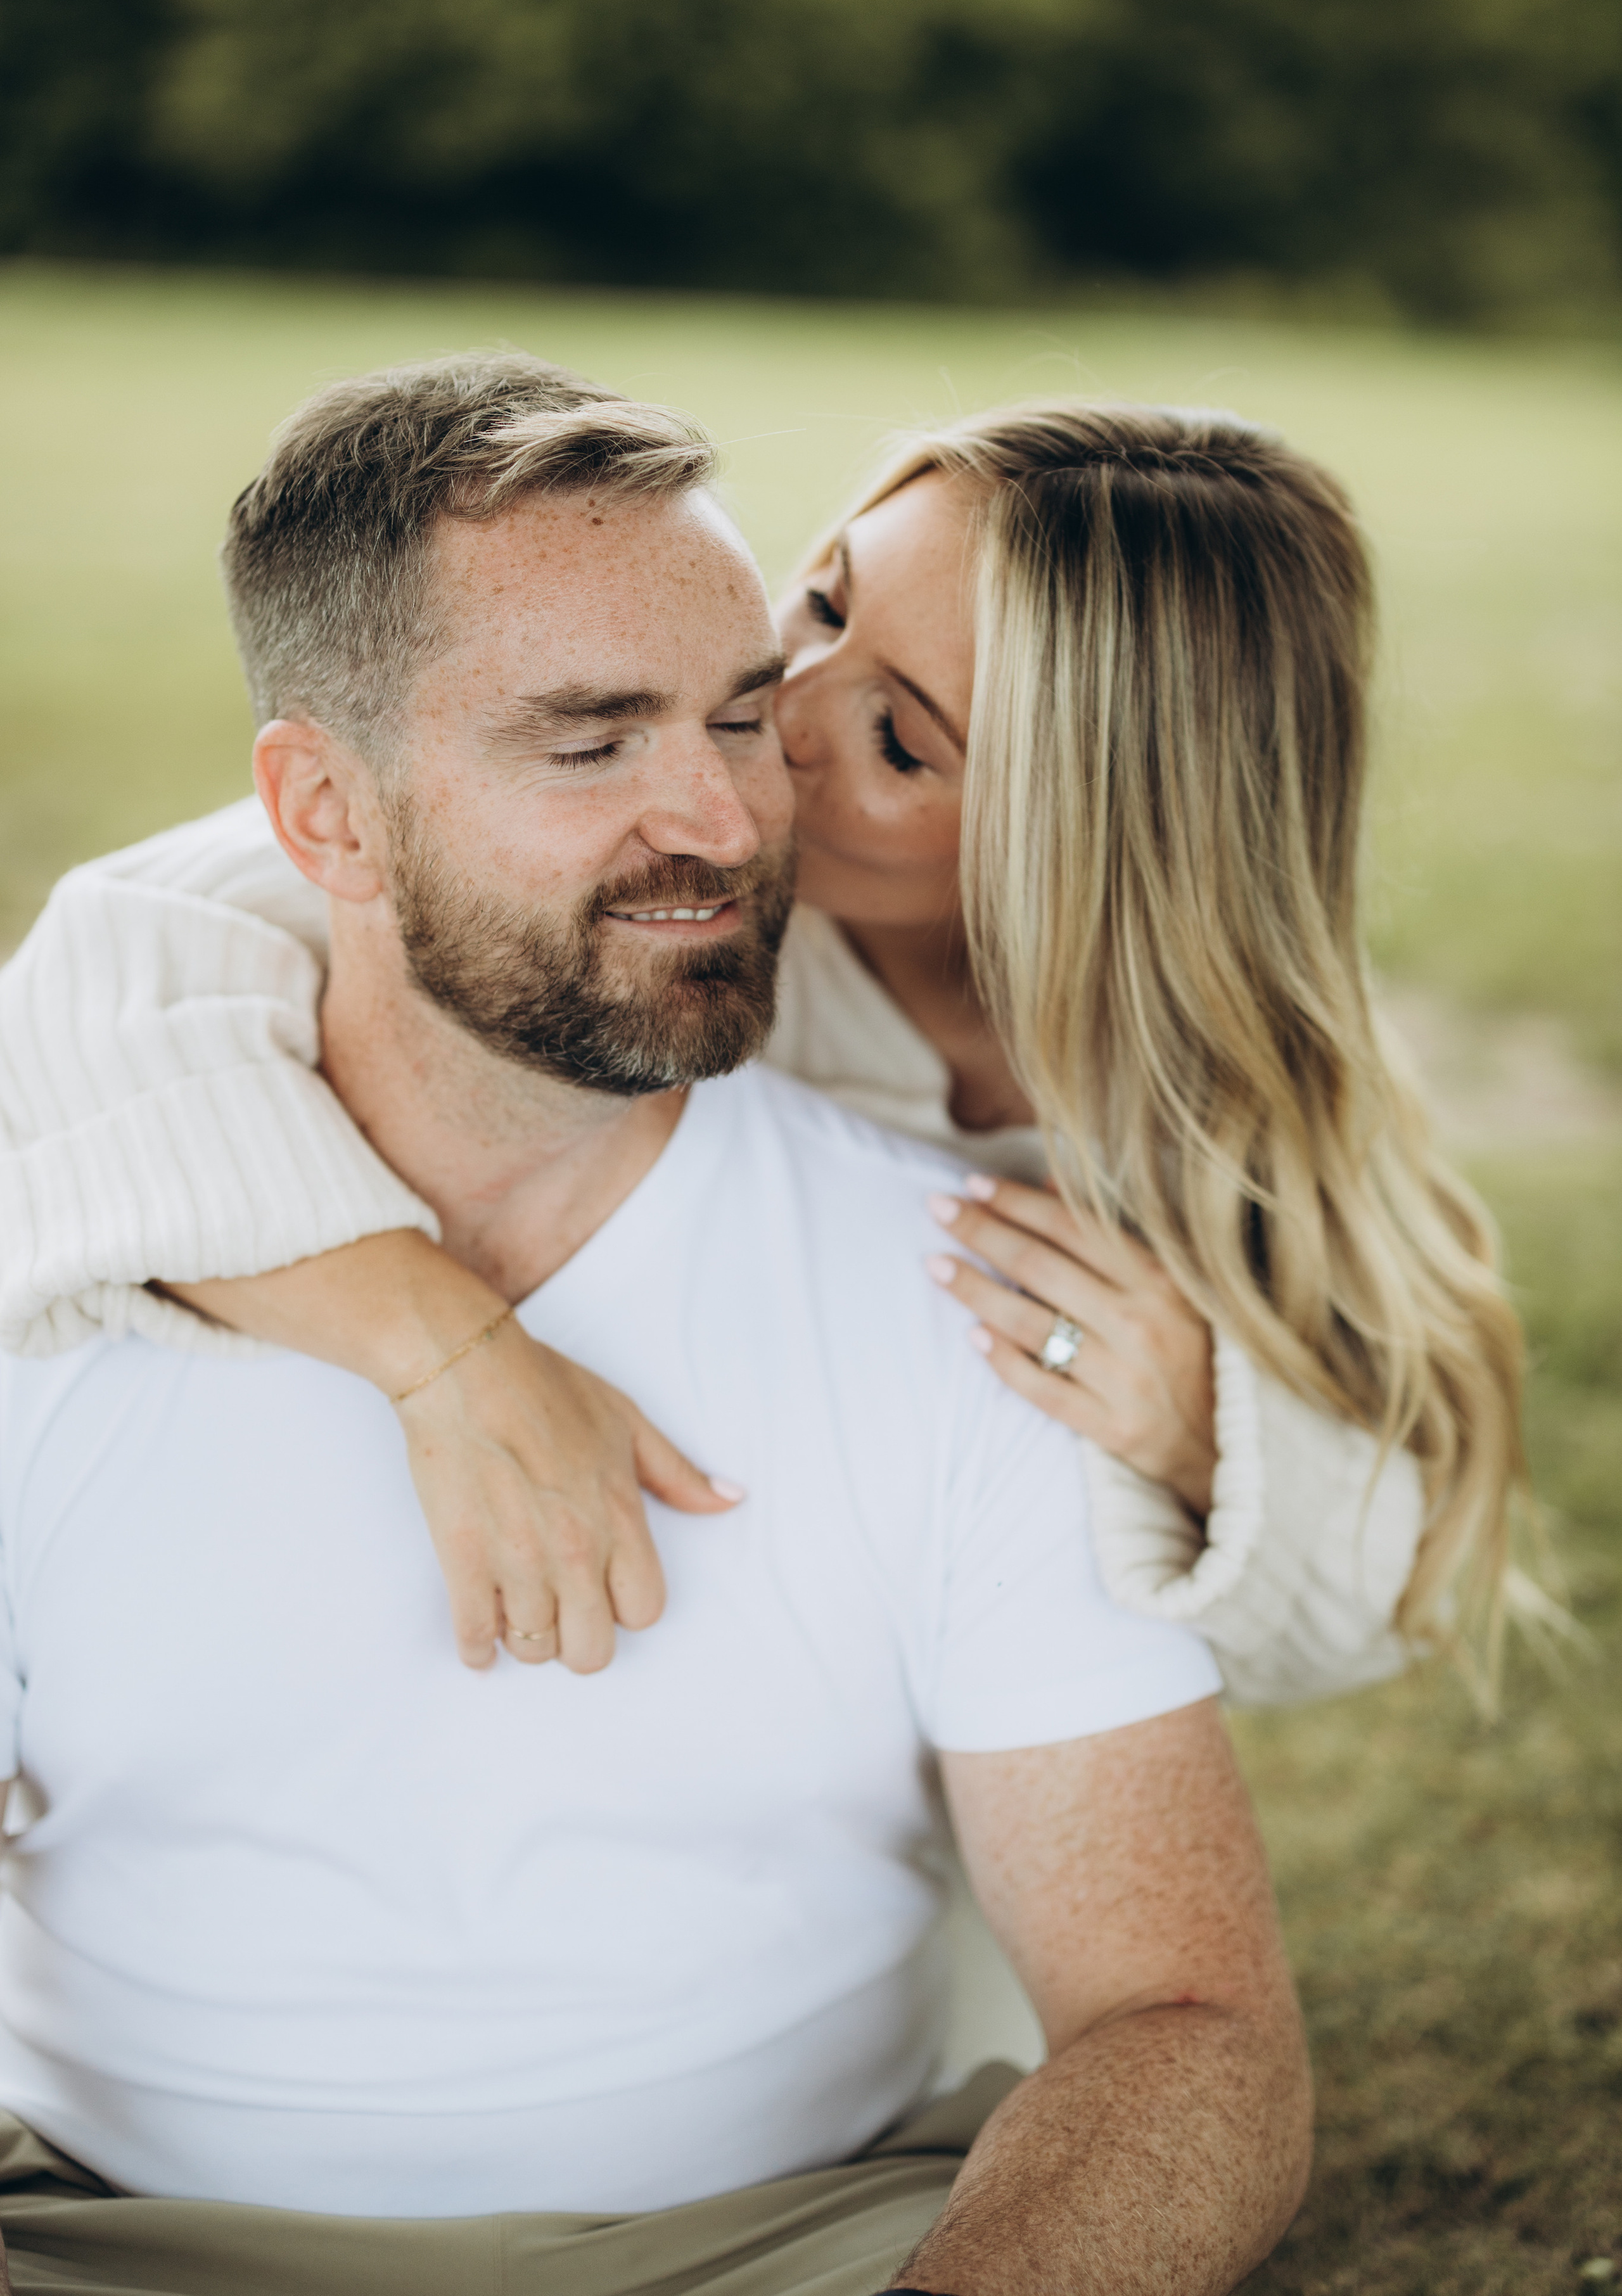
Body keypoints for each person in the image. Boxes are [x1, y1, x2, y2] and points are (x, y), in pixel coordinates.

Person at [0, 357, 1312, 2294]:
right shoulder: (65, 1245)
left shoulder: (986, 1294)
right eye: (587, 742)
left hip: (808, 2249)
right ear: (326, 817)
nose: (718, 815)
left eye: (739, 717)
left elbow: (1187, 2023)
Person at [0, 379, 1523, 1714]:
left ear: (1083, 846)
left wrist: (1202, 1436)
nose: (764, 716)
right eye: (826, 603)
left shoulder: (1213, 1121)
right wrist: (445, 1351)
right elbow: (99, 984)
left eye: (898, 739)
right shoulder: (625, 907)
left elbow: (1387, 1597)